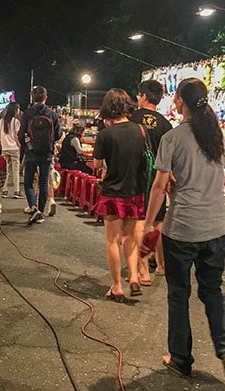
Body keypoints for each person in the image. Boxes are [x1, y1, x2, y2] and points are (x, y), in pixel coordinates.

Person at [143, 78, 225, 380]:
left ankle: (181, 358)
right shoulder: (216, 135)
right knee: (212, 290)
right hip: (216, 225)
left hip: (183, 227)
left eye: (176, 99)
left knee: (178, 293)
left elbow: (159, 186)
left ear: (181, 103)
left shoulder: (173, 138)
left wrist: (148, 225)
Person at [92, 88, 152, 300]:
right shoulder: (140, 130)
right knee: (130, 237)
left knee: (112, 241)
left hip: (113, 192)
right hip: (134, 191)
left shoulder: (105, 135)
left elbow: (97, 164)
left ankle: (117, 286)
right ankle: (134, 276)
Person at [130, 79, 173, 278]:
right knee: (158, 221)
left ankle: (143, 268)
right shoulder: (166, 124)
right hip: (159, 176)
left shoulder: (132, 118)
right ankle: (162, 265)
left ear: (144, 96)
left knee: (140, 220)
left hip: (138, 175)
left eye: (139, 95)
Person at [18, 86, 61, 224]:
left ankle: (33, 206)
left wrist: (25, 147)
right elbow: (58, 134)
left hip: (31, 152)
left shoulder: (28, 113)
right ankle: (41, 213)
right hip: (47, 153)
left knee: (28, 182)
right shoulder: (51, 114)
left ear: (32, 98)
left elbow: (20, 134)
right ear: (45, 98)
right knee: (43, 182)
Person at [0, 102, 21, 199]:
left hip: (4, 148)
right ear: (15, 110)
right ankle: (16, 191)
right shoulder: (16, 122)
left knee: (5, 170)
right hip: (14, 148)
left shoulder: (2, 121)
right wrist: (19, 145)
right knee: (15, 170)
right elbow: (16, 136)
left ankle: (4, 190)